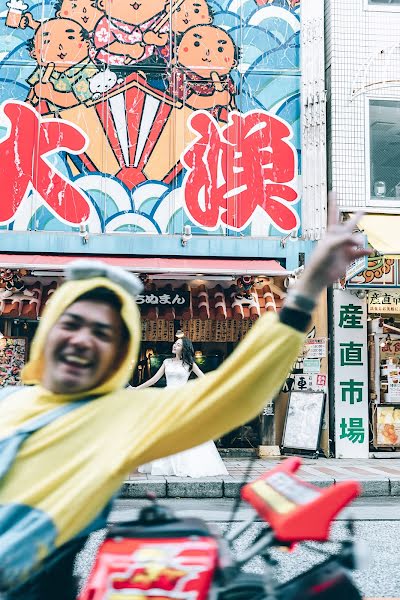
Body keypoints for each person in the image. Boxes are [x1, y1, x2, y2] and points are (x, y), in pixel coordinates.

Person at [0, 199, 369, 599]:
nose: (83, 339)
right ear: (50, 332)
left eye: (103, 333)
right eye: (70, 323)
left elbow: (231, 390)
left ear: (119, 354)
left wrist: (307, 289)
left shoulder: (119, 417)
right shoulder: (10, 400)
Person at [136, 336, 229, 477]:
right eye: (175, 343)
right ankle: (164, 465)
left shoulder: (190, 364)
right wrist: (137, 389)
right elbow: (154, 379)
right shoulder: (167, 362)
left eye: (178, 344)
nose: (174, 345)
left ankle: (185, 465)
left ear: (184, 348)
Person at [25, 18, 99, 110]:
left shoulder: (88, 70)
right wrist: (29, 102)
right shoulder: (44, 68)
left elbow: (76, 100)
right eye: (46, 41)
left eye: (70, 38)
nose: (60, 46)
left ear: (87, 44)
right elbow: (35, 88)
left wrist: (49, 94)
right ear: (34, 53)